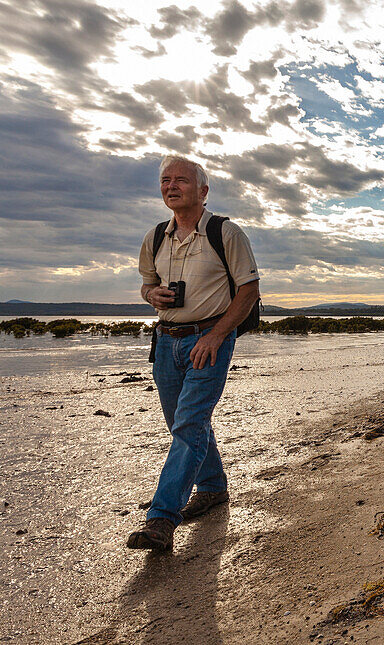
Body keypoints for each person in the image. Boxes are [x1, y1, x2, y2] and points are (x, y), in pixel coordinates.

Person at [127, 156, 260, 552]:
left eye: (181, 180)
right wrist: (153, 294)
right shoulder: (154, 237)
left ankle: (161, 518)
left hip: (210, 340)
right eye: (165, 180)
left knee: (188, 425)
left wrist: (217, 336)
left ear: (202, 190)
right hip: (166, 341)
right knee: (184, 424)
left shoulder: (226, 233)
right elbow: (146, 285)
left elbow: (248, 291)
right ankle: (215, 487)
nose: (171, 186)